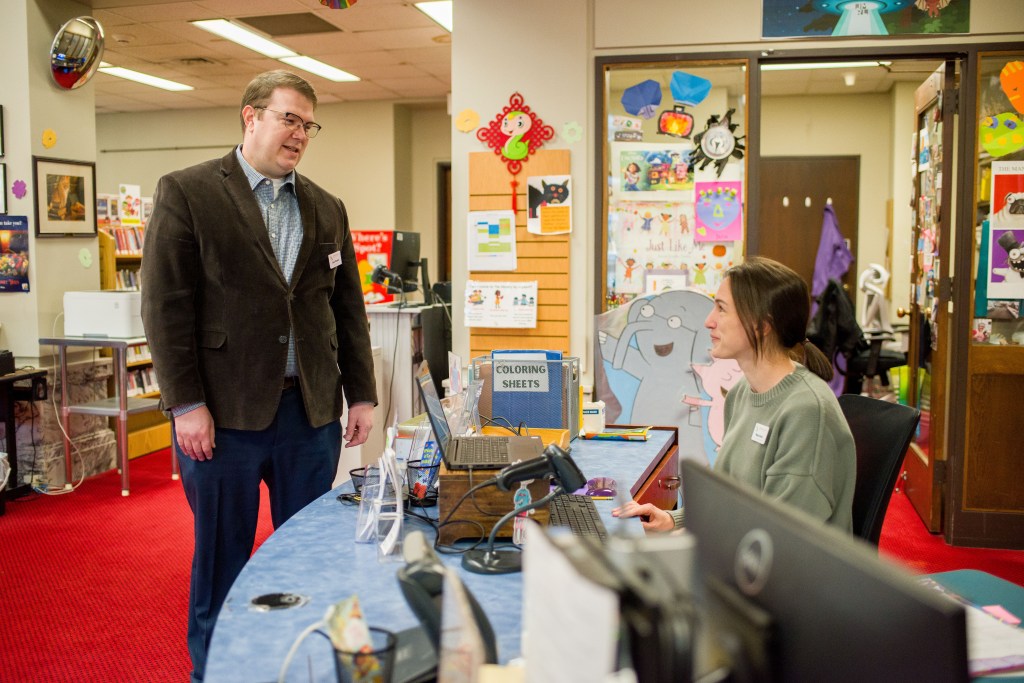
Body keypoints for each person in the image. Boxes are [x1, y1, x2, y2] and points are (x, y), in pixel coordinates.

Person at [140, 70, 378, 682]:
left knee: (307, 554)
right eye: (289, 119)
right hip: (224, 418)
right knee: (222, 559)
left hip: (311, 416)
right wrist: (185, 403)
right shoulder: (188, 192)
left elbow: (345, 308)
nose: (300, 134)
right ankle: (214, 670)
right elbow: (165, 308)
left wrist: (363, 395)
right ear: (251, 117)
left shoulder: (327, 206)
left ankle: (300, 665)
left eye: (309, 124)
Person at [613, 256, 856, 532]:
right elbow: (727, 497)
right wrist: (673, 520)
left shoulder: (807, 412)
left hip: (785, 570)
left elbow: (783, 535)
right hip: (742, 554)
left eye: (721, 309)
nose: (708, 321)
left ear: (761, 326)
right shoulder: (741, 392)